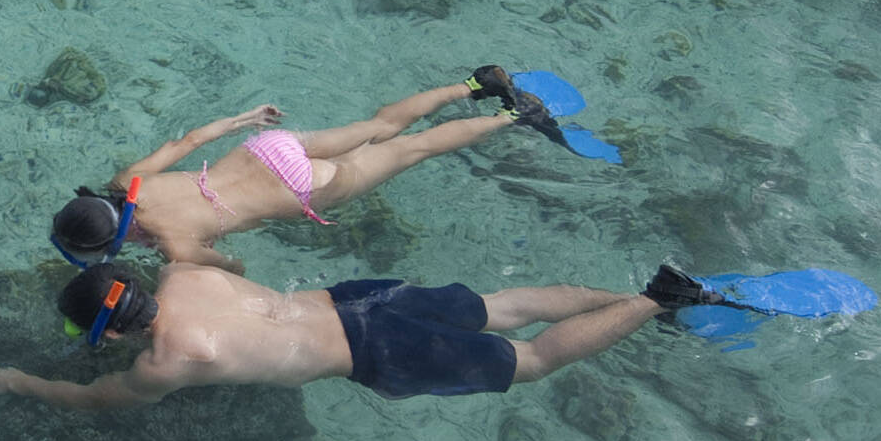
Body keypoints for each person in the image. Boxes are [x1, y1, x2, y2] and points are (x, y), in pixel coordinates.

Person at [0, 262, 723, 410]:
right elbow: (231, 269)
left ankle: (655, 302)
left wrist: (18, 380)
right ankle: (648, 291)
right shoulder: (185, 273)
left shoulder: (168, 361)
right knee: (502, 306)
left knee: (532, 361)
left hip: (374, 352)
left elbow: (96, 400)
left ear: (110, 333)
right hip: (356, 298)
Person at [49, 67, 562, 275]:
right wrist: (242, 119)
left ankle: (514, 116)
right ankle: (473, 85)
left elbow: (235, 269)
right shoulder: (128, 182)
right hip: (267, 150)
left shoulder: (174, 245)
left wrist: (176, 271)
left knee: (414, 149)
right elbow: (186, 142)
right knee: (381, 125)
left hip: (297, 189)